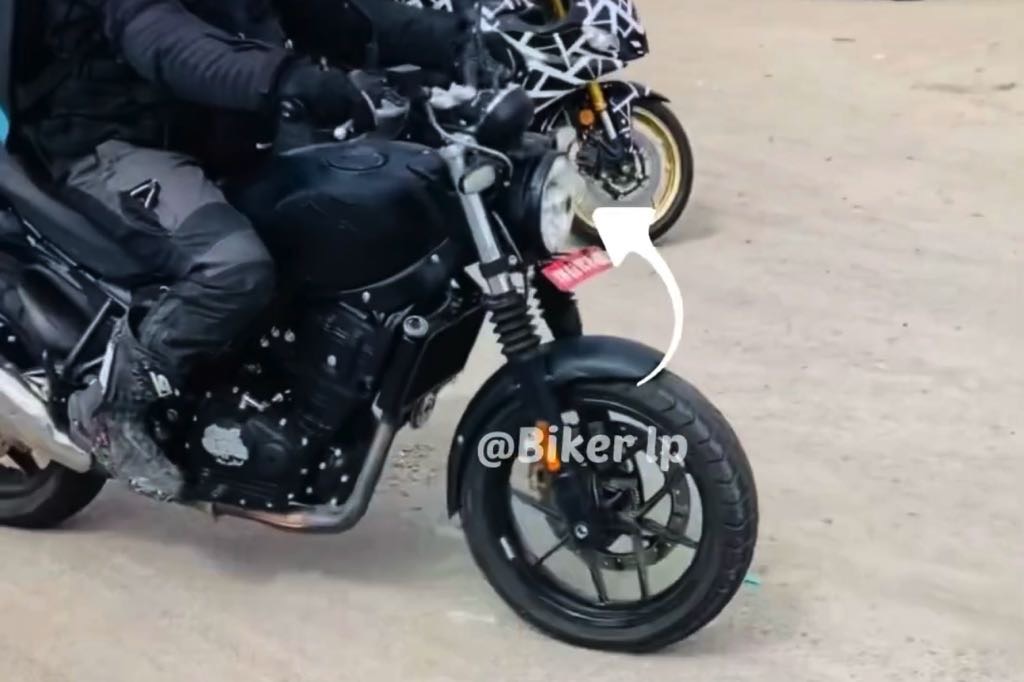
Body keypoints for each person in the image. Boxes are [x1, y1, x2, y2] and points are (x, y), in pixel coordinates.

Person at [15, 0, 488, 500]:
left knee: (328, 221)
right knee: (233, 266)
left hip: (215, 140)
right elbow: (167, 43)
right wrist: (289, 79)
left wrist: (453, 39)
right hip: (113, 143)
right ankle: (111, 412)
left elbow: (335, 16)